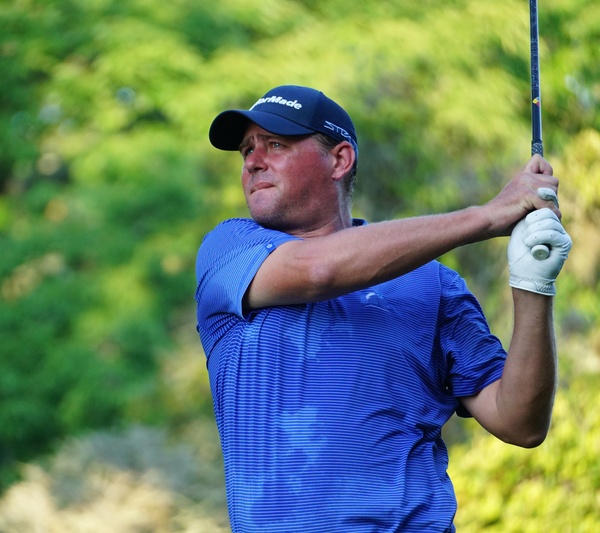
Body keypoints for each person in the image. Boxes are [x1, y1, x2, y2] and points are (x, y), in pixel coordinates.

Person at [194, 85, 572, 532]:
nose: (253, 162)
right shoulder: (229, 251)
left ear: (339, 160)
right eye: (247, 150)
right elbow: (319, 271)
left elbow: (521, 423)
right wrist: (487, 216)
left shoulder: (434, 284)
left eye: (275, 145)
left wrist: (533, 285)